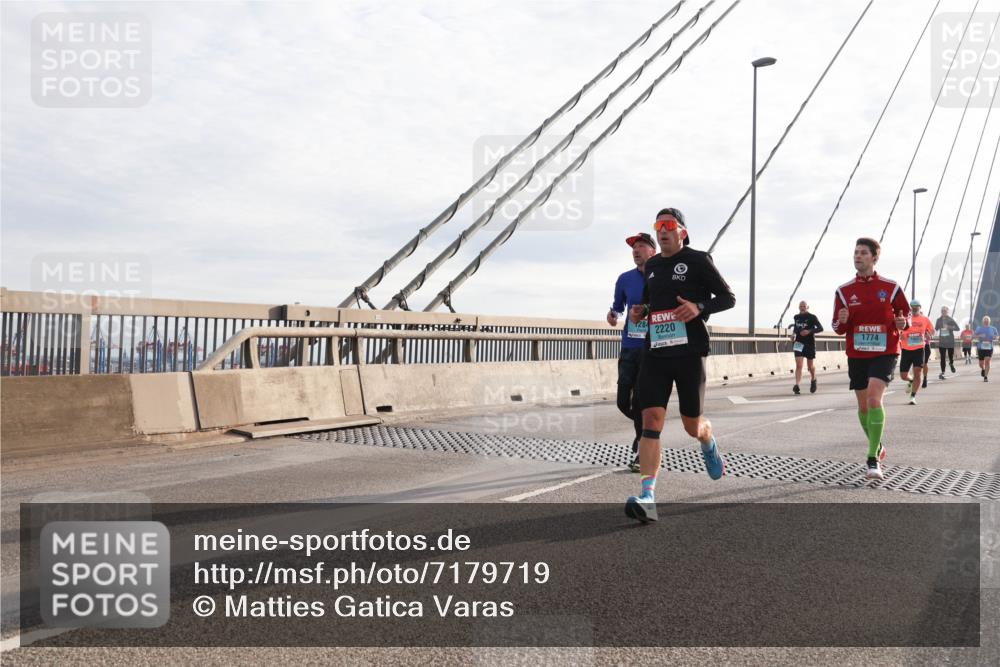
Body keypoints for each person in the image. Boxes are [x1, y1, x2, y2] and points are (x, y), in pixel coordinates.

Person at [625, 207, 735, 522]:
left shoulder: (699, 260)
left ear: (681, 232)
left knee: (691, 425)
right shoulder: (654, 265)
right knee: (651, 421)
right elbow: (650, 300)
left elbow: (727, 298)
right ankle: (648, 496)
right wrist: (641, 312)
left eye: (668, 225)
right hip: (656, 353)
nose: (662, 231)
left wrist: (699, 307)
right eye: (658, 225)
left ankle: (707, 438)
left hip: (689, 355)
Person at [831, 237, 910, 481]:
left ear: (875, 257)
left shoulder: (892, 287)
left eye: (863, 252)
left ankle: (872, 458)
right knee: (864, 407)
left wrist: (902, 323)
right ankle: (878, 446)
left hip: (885, 351)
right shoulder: (843, 291)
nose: (858, 256)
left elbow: (905, 318)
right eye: (855, 252)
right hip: (857, 353)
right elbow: (837, 327)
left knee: (875, 400)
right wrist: (842, 320)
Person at [607, 232, 657, 472]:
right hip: (629, 346)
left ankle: (643, 442)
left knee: (640, 399)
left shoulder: (660, 277)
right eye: (633, 247)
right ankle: (648, 429)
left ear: (652, 251)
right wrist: (613, 315)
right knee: (622, 401)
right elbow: (617, 307)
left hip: (651, 348)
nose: (636, 250)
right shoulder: (624, 278)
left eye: (641, 246)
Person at [898, 299, 933, 405]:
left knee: (917, 372)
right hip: (906, 349)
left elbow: (931, 330)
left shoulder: (925, 319)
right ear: (910, 308)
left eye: (916, 307)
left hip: (919, 349)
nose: (914, 308)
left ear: (920, 307)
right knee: (903, 375)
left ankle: (913, 396)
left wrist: (928, 334)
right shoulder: (906, 319)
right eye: (912, 307)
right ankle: (911, 380)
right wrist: (901, 334)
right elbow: (898, 330)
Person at [789, 300, 823, 394]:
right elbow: (796, 329)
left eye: (804, 306)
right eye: (801, 306)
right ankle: (797, 385)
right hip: (798, 343)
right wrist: (793, 336)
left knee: (810, 366)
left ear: (807, 307)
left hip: (809, 344)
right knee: (799, 365)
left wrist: (809, 331)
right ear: (799, 307)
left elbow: (820, 328)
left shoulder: (812, 317)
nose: (802, 307)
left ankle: (813, 378)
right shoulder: (796, 317)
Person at [934, 306, 960, 379]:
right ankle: (943, 372)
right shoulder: (938, 320)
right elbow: (936, 328)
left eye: (945, 311)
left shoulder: (951, 319)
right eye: (942, 311)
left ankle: (951, 363)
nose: (944, 312)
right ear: (941, 312)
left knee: (950, 356)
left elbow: (958, 328)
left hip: (950, 341)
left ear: (947, 312)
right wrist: (937, 330)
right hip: (942, 341)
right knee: (942, 358)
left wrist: (949, 327)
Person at [975, 315, 998, 382]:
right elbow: (974, 336)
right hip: (981, 347)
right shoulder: (979, 328)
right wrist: (980, 335)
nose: (986, 322)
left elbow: (996, 336)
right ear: (983, 322)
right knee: (981, 363)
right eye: (985, 321)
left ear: (989, 322)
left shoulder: (993, 328)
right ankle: (983, 369)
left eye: (987, 321)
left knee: (987, 361)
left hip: (989, 347)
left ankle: (985, 376)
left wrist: (995, 337)